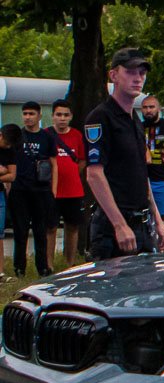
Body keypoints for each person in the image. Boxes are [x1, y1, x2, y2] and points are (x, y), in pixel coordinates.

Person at [85, 48, 164, 259]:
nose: (138, 78)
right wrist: (119, 225)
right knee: (112, 290)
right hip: (113, 226)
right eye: (131, 72)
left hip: (141, 223)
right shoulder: (101, 117)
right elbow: (94, 174)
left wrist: (158, 222)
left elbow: (142, 174)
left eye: (142, 73)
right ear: (113, 75)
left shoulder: (135, 119)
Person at [9, 101, 57, 277]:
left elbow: (54, 164)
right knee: (20, 231)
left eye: (31, 114)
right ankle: (19, 268)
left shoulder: (47, 138)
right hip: (19, 190)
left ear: (39, 116)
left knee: (41, 231)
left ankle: (43, 267)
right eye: (25, 114)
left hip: (41, 190)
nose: (27, 117)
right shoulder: (16, 137)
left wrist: (54, 190)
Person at [47, 100, 86, 268]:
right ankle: (48, 264)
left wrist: (72, 172)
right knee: (50, 228)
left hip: (73, 191)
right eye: (58, 115)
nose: (62, 118)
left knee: (72, 227)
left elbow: (83, 160)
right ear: (53, 116)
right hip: (51, 191)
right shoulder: (46, 134)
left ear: (70, 117)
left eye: (65, 115)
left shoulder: (77, 135)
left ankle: (70, 263)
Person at [0, 124, 19, 281]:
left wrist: (4, 171)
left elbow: (12, 175)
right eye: (5, 143)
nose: (6, 147)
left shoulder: (10, 151)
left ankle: (0, 272)